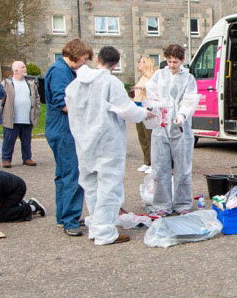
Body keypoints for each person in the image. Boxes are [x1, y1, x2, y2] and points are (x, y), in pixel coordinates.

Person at [65, 45, 146, 245]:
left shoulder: (75, 84)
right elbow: (127, 109)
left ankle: (95, 227)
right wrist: (144, 113)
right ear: (116, 64)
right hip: (106, 142)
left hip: (84, 142)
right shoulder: (111, 83)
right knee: (109, 187)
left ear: (97, 59)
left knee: (91, 185)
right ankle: (105, 232)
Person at [45, 38, 94, 236]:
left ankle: (63, 216)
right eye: (83, 58)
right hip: (63, 130)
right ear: (75, 55)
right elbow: (62, 101)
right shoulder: (59, 71)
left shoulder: (64, 70)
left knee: (64, 174)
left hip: (61, 129)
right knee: (73, 173)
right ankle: (69, 220)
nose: (84, 63)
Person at [146, 43, 199, 215]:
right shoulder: (159, 75)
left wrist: (182, 115)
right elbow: (152, 95)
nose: (171, 65)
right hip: (161, 127)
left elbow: (189, 99)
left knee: (183, 167)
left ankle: (182, 203)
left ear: (182, 61)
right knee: (160, 167)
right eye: (169, 61)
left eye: (175, 62)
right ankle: (162, 205)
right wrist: (157, 109)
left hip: (180, 128)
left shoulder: (188, 78)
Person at [1, 60, 41, 168]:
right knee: (9, 140)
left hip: (27, 117)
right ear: (16, 70)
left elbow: (36, 98)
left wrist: (36, 111)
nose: (25, 69)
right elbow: (1, 100)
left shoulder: (31, 83)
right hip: (12, 118)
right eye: (22, 67)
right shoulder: (6, 83)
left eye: (24, 67)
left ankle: (27, 158)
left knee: (27, 140)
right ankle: (6, 159)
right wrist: (0, 115)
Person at [133, 53, 157, 173]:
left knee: (149, 137)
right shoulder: (142, 77)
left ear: (146, 64)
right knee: (141, 136)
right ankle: (147, 162)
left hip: (146, 107)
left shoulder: (151, 78)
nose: (139, 63)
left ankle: (153, 163)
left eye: (141, 61)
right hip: (137, 107)